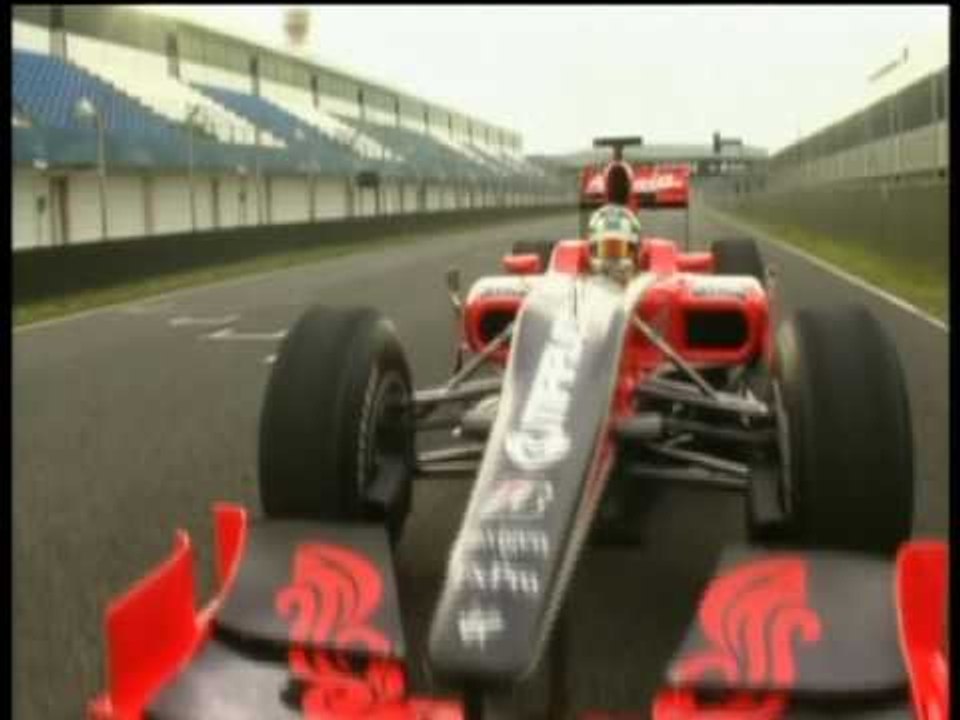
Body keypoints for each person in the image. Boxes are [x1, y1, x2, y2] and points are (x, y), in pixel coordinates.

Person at [586, 203, 643, 282]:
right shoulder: (577, 289)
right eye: (606, 250)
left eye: (618, 250)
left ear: (636, 253)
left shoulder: (647, 288)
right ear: (592, 251)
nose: (612, 262)